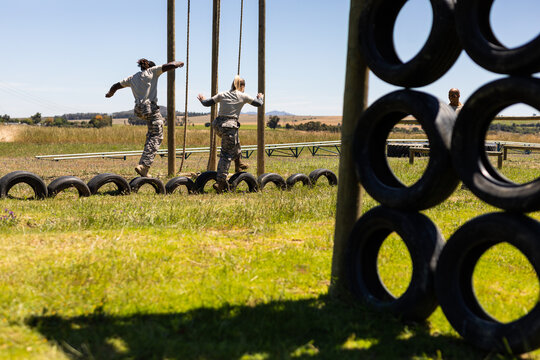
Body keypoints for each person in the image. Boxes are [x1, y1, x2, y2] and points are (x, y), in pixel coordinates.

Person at [105, 58, 184, 177]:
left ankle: (144, 166)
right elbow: (168, 66)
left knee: (152, 134)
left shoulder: (132, 78)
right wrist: (178, 64)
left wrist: (110, 93)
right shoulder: (152, 71)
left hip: (138, 109)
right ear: (150, 66)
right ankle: (144, 166)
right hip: (149, 108)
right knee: (157, 136)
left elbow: (116, 85)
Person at [198, 76, 264, 193]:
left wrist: (202, 99)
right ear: (242, 86)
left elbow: (206, 103)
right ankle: (221, 182)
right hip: (229, 126)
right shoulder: (243, 96)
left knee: (234, 142)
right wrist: (260, 97)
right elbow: (259, 104)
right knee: (226, 154)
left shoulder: (222, 94)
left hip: (218, 125)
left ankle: (238, 163)